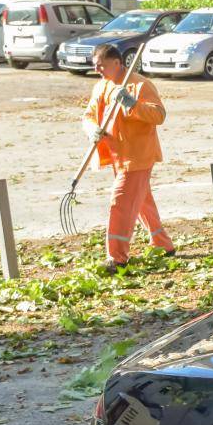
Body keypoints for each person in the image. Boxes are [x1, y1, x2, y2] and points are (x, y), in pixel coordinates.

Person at [83, 43, 174, 272]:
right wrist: (91, 127)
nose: (97, 70)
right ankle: (163, 244)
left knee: (121, 203)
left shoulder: (140, 85)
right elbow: (89, 115)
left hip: (138, 156)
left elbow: (159, 115)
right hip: (118, 156)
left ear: (116, 63)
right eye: (95, 66)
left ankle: (116, 257)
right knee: (142, 201)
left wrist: (133, 105)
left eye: (101, 66)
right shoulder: (102, 87)